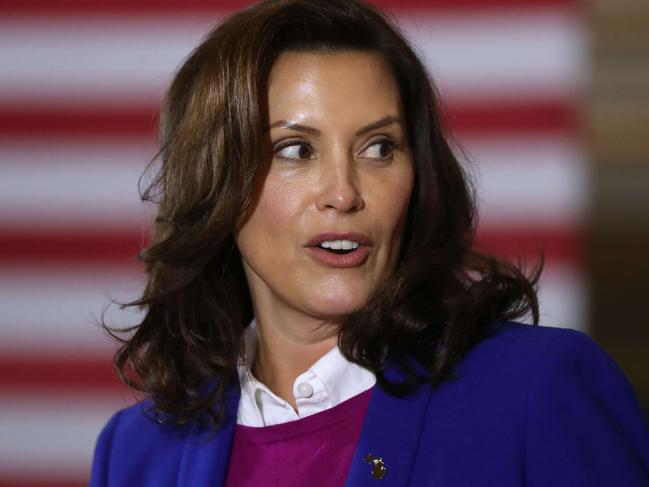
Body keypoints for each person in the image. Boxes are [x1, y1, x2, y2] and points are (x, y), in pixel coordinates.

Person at [89, 0, 649, 485]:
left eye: (379, 147)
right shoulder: (136, 454)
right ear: (215, 184)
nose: (344, 193)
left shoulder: (537, 391)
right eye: (295, 150)